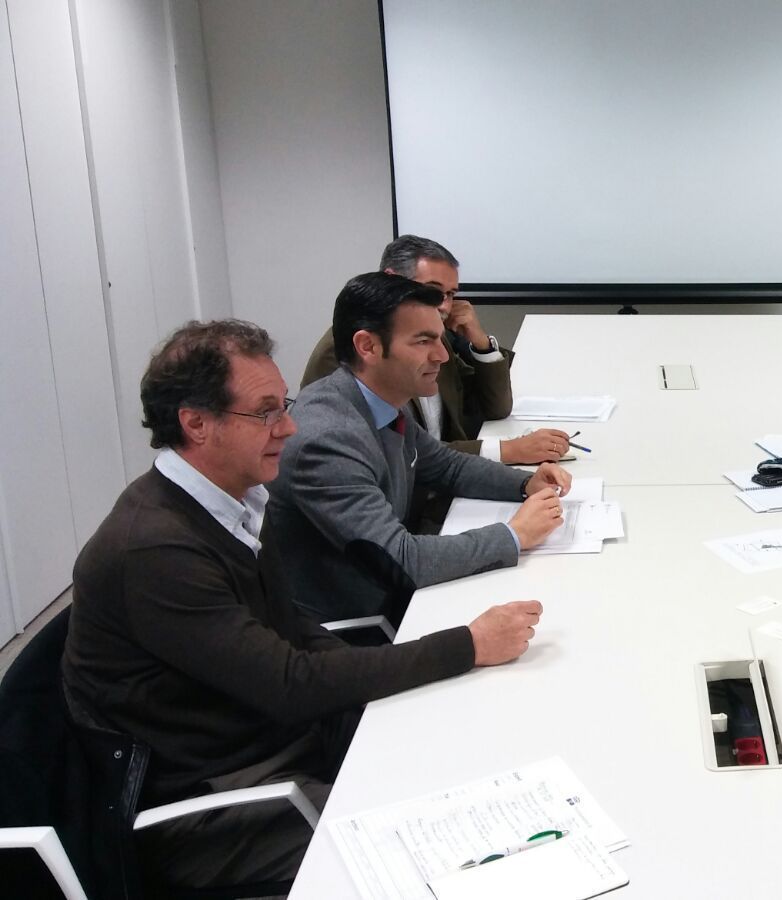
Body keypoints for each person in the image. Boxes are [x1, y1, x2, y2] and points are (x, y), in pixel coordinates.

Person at [62, 319, 547, 891]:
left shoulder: (232, 503)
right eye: (265, 412)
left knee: (472, 756)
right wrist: (465, 645)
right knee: (458, 864)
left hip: (280, 741)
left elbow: (298, 630)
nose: (288, 426)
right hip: (222, 804)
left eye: (283, 404)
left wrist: (430, 662)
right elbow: (289, 683)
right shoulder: (155, 551)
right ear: (195, 423)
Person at [268, 273, 571, 623]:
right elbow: (402, 559)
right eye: (423, 342)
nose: (442, 356)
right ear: (367, 346)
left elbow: (445, 465)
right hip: (356, 629)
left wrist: (523, 484)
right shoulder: (327, 438)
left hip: (396, 596)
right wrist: (514, 535)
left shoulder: (377, 400)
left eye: (440, 340)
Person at [302, 235, 570, 466]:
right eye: (432, 291)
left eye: (451, 294)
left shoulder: (435, 335)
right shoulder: (348, 350)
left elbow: (496, 408)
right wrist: (507, 450)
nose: (443, 306)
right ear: (391, 280)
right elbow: (397, 454)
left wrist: (480, 343)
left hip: (443, 478)